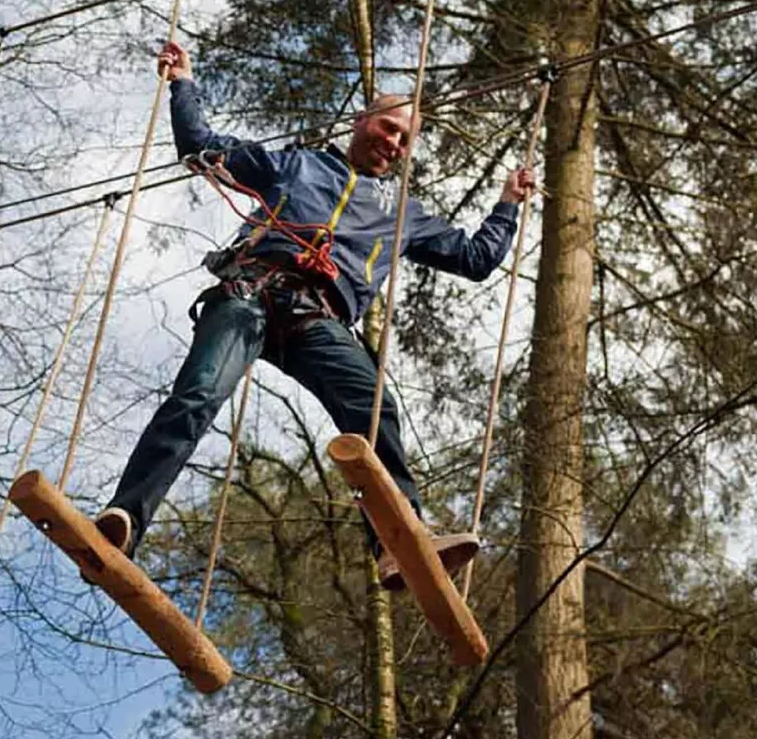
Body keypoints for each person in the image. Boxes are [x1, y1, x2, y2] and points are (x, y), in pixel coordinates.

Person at [94, 40, 536, 584]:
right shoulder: (294, 165)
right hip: (251, 294)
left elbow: (475, 258)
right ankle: (126, 519)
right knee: (199, 394)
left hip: (318, 320)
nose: (395, 144)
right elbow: (198, 146)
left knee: (372, 408)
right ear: (361, 121)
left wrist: (507, 205)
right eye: (389, 128)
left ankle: (397, 544)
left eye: (405, 140)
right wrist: (183, 82)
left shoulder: (401, 214)